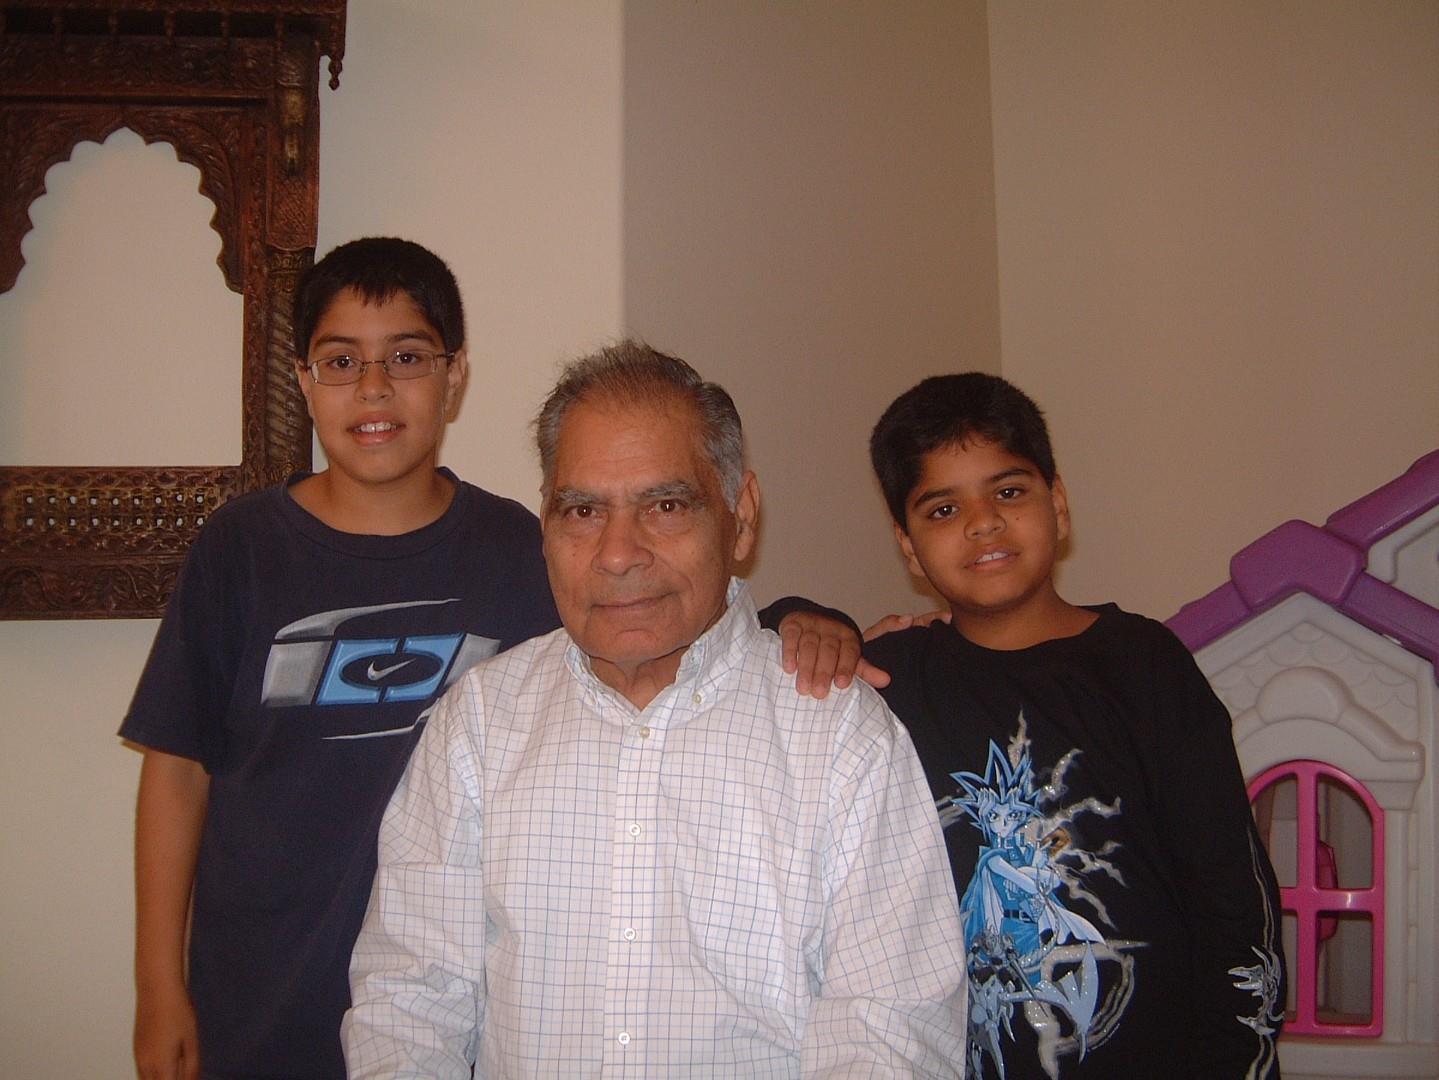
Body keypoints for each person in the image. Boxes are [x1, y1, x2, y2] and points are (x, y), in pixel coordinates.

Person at [120, 241, 867, 1080]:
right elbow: (176, 771)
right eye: (342, 361)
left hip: (458, 989)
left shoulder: (524, 545)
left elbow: (649, 624)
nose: (374, 387)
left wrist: (797, 619)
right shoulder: (240, 548)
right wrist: (157, 984)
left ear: (454, 376)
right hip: (263, 983)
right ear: (302, 379)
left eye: (407, 357)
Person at [343, 342, 969, 1077]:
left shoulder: (840, 736)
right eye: (582, 511)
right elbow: (410, 999)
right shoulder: (478, 724)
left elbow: (890, 1034)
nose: (617, 554)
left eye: (665, 506)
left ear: (740, 519)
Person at [863, 373, 1285, 1080]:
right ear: (908, 546)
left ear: (1057, 503)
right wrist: (804, 618)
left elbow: (1230, 895)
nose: (982, 523)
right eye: (943, 509)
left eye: (1008, 492)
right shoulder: (889, 679)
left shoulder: (1146, 665)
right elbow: (750, 669)